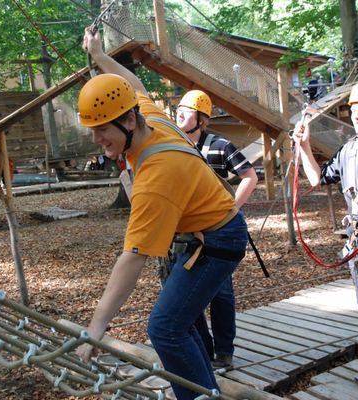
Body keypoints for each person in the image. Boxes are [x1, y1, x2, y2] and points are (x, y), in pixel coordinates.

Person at [76, 29, 248, 399]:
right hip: (206, 233)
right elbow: (134, 84)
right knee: (180, 323)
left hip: (218, 238)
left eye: (101, 129)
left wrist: (96, 327)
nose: (96, 140)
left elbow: (132, 259)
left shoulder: (157, 176)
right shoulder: (149, 116)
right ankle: (206, 389)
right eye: (91, 130)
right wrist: (100, 56)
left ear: (128, 121)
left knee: (166, 327)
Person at [176, 90, 258, 368]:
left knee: (221, 293)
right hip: (187, 233)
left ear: (201, 119)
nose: (180, 114)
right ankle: (205, 349)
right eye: (179, 110)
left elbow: (249, 176)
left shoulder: (219, 146)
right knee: (188, 294)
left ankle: (224, 352)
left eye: (187, 111)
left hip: (218, 232)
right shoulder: (174, 147)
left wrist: (230, 210)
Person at [292, 82, 358, 307]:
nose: (357, 115)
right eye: (354, 110)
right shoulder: (349, 151)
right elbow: (317, 178)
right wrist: (304, 146)